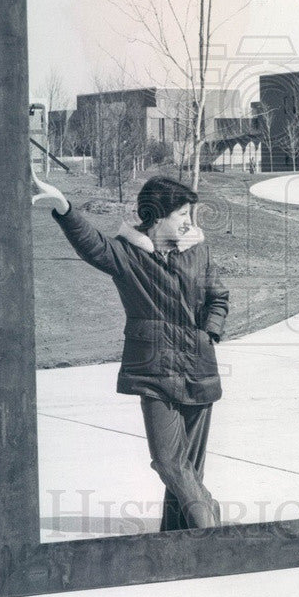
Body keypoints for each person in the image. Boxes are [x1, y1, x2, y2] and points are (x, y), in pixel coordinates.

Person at [32, 171, 229, 532]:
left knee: (189, 470)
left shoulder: (198, 251)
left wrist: (209, 333)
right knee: (170, 462)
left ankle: (178, 541)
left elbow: (219, 296)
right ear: (157, 216)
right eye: (182, 214)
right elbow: (91, 243)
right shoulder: (127, 255)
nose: (189, 222)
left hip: (199, 368)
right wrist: (63, 207)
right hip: (154, 372)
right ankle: (209, 526)